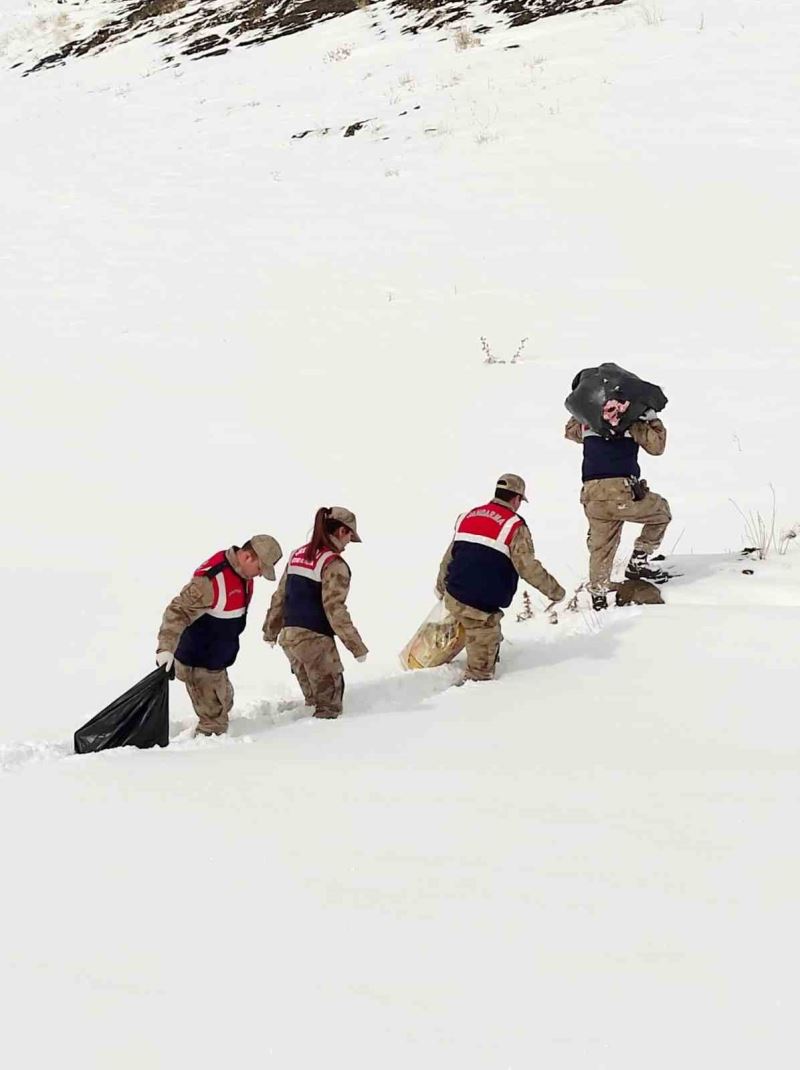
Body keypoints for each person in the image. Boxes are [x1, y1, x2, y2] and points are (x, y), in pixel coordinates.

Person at [435, 474, 565, 682]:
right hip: (479, 607)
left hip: (454, 595)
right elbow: (528, 567)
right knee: (481, 673)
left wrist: (441, 588)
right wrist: (555, 591)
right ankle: (470, 697)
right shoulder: (514, 526)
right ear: (516, 499)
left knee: (467, 632)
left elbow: (449, 556)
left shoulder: (468, 515)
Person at [156, 535, 283, 737]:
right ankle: (208, 756)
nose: (260, 575)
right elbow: (177, 612)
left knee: (226, 701)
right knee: (215, 725)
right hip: (198, 662)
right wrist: (165, 649)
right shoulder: (210, 581)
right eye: (260, 569)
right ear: (248, 557)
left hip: (216, 659)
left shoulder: (243, 574)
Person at [264, 507, 367, 720]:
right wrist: (356, 646)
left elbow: (279, 598)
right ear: (340, 531)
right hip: (315, 642)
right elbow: (334, 609)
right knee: (328, 708)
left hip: (290, 639)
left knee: (313, 702)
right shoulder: (333, 564)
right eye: (349, 536)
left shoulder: (297, 555)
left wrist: (270, 631)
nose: (348, 544)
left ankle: (307, 744)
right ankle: (321, 745)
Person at [565, 408, 671, 610]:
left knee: (601, 547)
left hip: (592, 494)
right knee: (661, 513)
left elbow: (570, 431)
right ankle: (638, 561)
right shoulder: (633, 422)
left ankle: (598, 595)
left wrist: (581, 412)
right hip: (621, 491)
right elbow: (657, 447)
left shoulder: (588, 422)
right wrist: (652, 419)